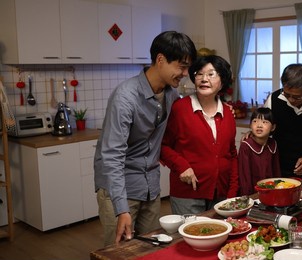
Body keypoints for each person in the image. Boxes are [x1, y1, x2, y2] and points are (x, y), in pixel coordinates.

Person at [93, 31, 197, 246]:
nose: (185, 73)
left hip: (150, 187)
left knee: (150, 249)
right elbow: (112, 157)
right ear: (160, 60)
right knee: (119, 251)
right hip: (119, 190)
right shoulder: (125, 97)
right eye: (181, 66)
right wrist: (121, 208)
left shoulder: (170, 94)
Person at [160, 55, 239, 215]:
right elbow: (162, 146)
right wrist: (182, 166)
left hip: (221, 194)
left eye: (211, 74)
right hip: (188, 194)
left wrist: (232, 192)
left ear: (222, 81)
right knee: (186, 238)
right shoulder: (180, 109)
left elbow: (231, 155)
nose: (204, 79)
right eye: (199, 74)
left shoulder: (228, 113)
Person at [238, 107, 281, 196]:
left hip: (271, 191)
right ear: (250, 125)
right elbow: (244, 176)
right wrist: (248, 197)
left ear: (273, 127)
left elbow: (276, 171)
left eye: (264, 122)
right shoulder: (246, 145)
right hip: (253, 194)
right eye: (255, 121)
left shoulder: (273, 143)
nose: (259, 125)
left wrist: (279, 190)